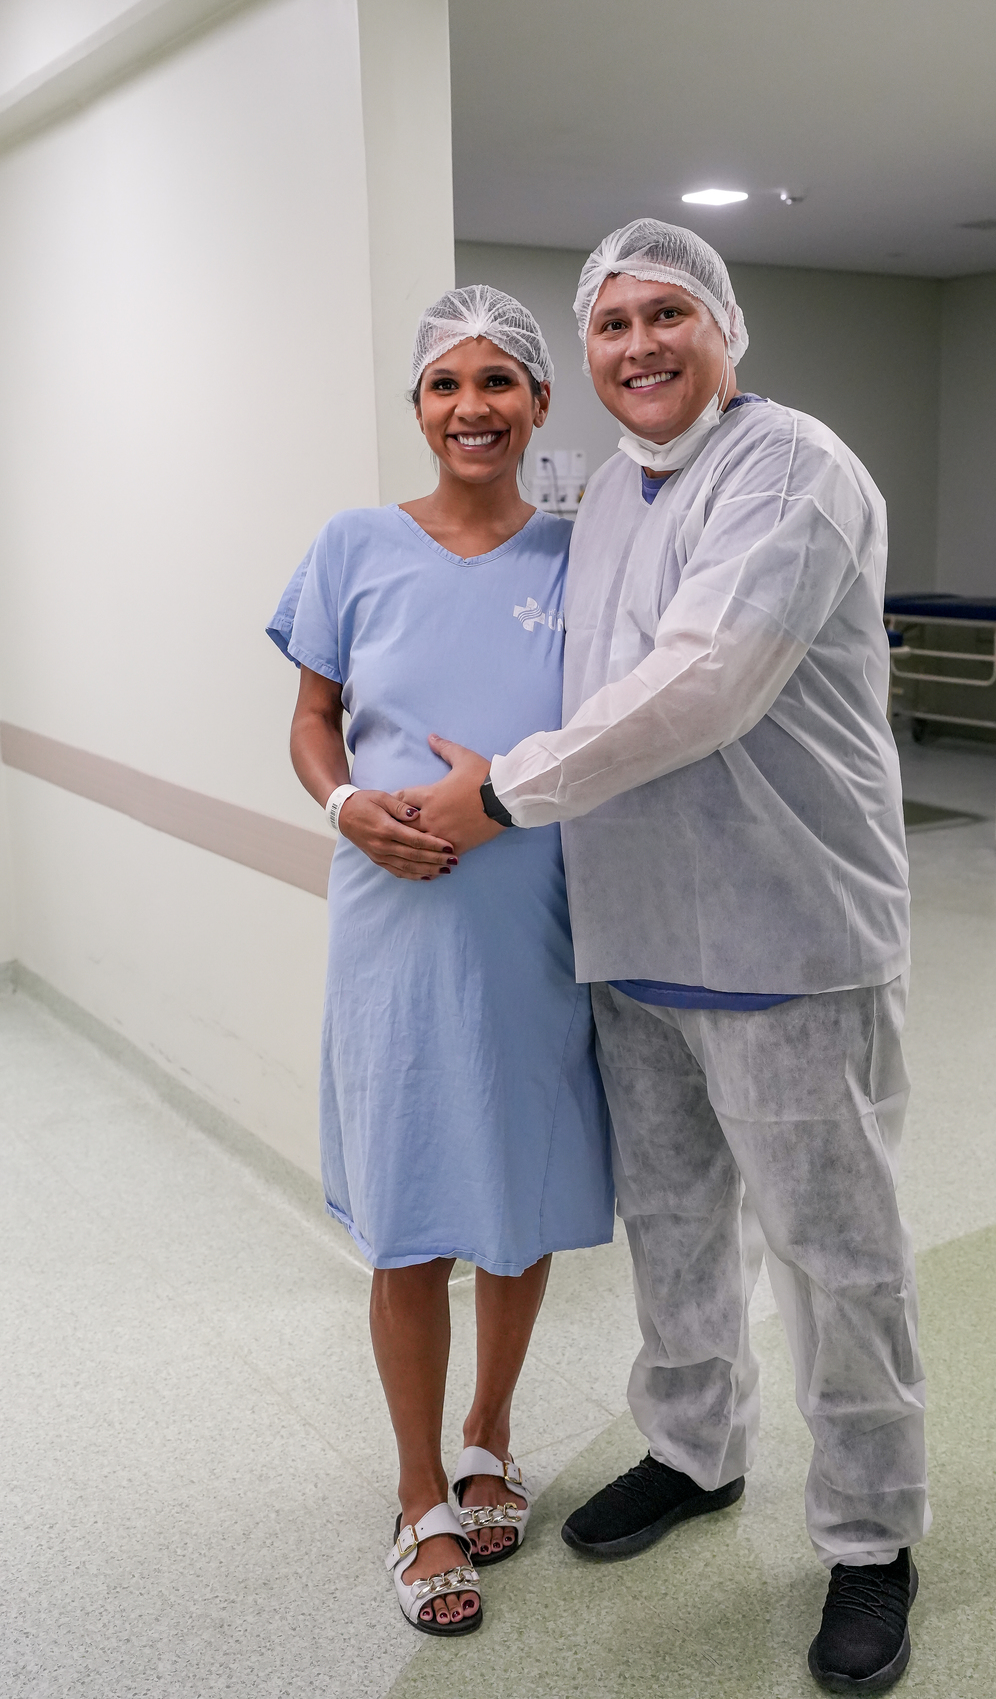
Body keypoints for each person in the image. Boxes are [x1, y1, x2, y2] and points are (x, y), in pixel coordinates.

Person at [398, 223, 928, 1692]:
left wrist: (502, 793)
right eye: (612, 322)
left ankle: (871, 1535)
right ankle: (694, 1451)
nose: (638, 343)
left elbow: (705, 681)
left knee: (837, 1258)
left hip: (789, 932)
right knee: (676, 1226)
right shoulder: (616, 499)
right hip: (635, 937)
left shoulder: (791, 470)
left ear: (725, 327)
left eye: (666, 313)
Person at [265, 286, 613, 1639]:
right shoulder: (353, 545)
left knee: (515, 1197)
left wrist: (506, 795)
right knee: (412, 1212)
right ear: (418, 408)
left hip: (537, 923)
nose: (472, 408)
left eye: (498, 382)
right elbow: (313, 718)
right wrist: (347, 803)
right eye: (444, 385)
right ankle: (419, 1493)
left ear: (540, 403)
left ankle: (489, 1435)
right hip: (396, 919)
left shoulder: (583, 556)